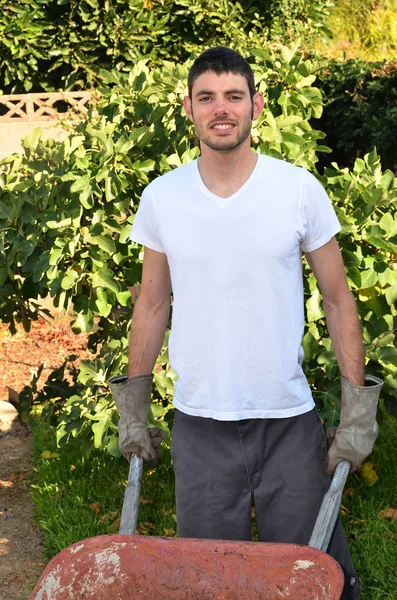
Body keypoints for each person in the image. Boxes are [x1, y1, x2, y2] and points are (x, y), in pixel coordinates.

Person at [109, 47, 383, 600]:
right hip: (200, 425)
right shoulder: (164, 196)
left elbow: (337, 298)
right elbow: (152, 305)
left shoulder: (298, 189)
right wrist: (134, 406)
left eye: (233, 96)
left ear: (255, 104)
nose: (221, 109)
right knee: (209, 584)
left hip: (287, 422)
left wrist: (357, 409)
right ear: (189, 108)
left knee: (315, 577)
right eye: (207, 97)